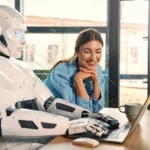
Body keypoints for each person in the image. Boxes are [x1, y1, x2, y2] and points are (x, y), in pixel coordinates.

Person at [0, 5, 110, 150]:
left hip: (39, 140)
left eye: (23, 33)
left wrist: (88, 116)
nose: (23, 41)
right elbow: (6, 120)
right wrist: (71, 126)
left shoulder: (23, 68)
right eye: (16, 32)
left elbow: (50, 103)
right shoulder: (61, 71)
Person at [44, 28, 105, 113]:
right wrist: (78, 80)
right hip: (44, 116)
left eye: (98, 52)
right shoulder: (60, 73)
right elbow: (80, 112)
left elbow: (97, 108)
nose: (93, 58)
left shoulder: (97, 69)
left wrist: (96, 81)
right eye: (87, 52)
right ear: (77, 51)